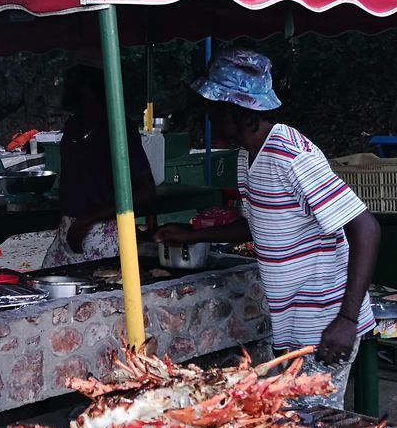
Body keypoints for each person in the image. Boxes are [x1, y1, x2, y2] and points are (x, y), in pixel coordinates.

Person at [155, 48, 379, 409]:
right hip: (291, 326)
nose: (209, 117)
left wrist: (347, 319)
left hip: (324, 323)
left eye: (215, 108)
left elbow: (365, 227)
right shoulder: (249, 155)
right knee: (283, 422)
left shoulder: (291, 156)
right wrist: (193, 235)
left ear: (239, 111)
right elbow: (256, 225)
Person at [43, 64, 157, 267]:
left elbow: (145, 191)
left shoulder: (119, 129)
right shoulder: (72, 127)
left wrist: (87, 220)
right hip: (69, 230)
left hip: (104, 232)